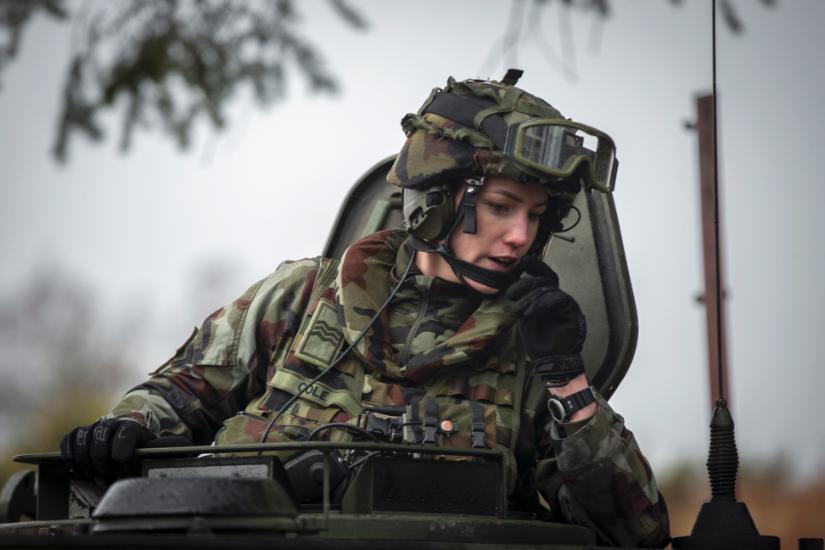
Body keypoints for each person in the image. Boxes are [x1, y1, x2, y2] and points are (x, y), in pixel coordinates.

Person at [60, 71, 670, 547]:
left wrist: (569, 382)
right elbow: (175, 395)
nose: (519, 236)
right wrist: (127, 427)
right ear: (436, 200)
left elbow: (635, 531)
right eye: (504, 206)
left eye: (536, 216)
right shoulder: (302, 296)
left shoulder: (534, 356)